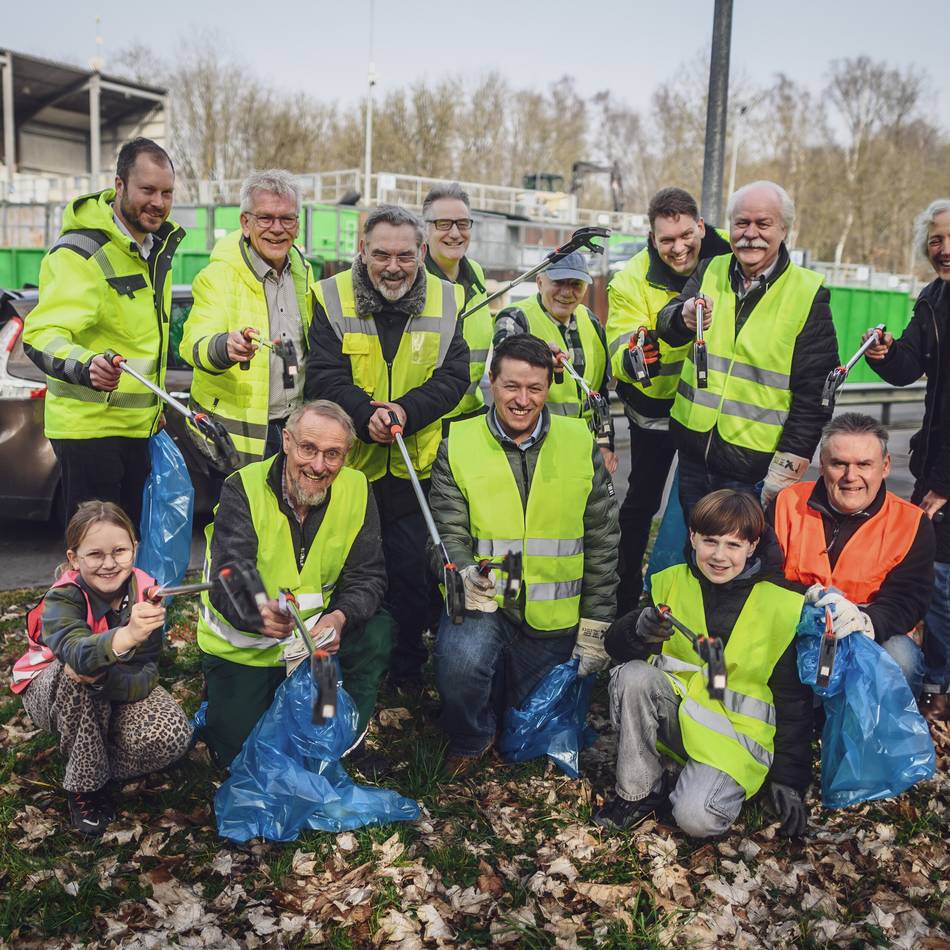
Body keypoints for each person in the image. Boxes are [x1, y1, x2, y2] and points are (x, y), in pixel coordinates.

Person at [428, 334, 619, 773]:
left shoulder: (577, 441)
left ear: (549, 387)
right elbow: (446, 532)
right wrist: (461, 577)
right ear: (491, 383)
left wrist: (596, 621)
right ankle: (472, 736)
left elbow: (604, 538)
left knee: (531, 729)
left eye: (534, 388)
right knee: (460, 665)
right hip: (486, 604)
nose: (522, 399)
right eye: (511, 386)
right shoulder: (458, 442)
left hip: (554, 615)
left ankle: (503, 703)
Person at [304, 205, 469, 691]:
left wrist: (406, 412)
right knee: (350, 571)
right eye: (380, 254)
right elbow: (324, 374)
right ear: (362, 251)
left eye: (403, 255)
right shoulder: (331, 297)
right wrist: (364, 413)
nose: (392, 266)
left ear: (421, 253)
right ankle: (344, 667)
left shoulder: (448, 300)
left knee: (413, 573)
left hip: (417, 467)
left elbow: (455, 378)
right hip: (352, 468)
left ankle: (403, 670)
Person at [595, 490, 811, 838]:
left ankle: (697, 785)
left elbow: (792, 700)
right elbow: (617, 647)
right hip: (680, 720)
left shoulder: (782, 605)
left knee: (697, 820)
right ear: (693, 537)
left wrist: (789, 779)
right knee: (632, 675)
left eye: (733, 545)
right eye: (710, 541)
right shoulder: (671, 581)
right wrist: (638, 628)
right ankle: (639, 791)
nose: (719, 556)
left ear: (753, 546)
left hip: (733, 743)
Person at [196, 401, 390, 768]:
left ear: (347, 454)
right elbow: (229, 574)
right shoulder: (244, 488)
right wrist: (256, 613)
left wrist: (340, 618)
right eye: (308, 449)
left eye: (333, 454)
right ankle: (221, 701)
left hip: (316, 647)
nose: (319, 466)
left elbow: (368, 575)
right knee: (241, 759)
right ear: (286, 441)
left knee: (376, 632)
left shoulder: (357, 488)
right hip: (250, 648)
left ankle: (342, 735)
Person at [22, 138, 183, 529]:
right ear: (119, 186)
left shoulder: (153, 250)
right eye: (147, 190)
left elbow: (142, 342)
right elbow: (41, 333)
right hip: (89, 432)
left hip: (137, 430)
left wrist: (154, 411)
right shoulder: (80, 252)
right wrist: (87, 365)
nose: (158, 202)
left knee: (126, 552)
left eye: (166, 193)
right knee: (98, 554)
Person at [657, 180, 839, 517]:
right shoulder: (709, 269)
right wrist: (680, 317)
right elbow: (666, 326)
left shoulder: (807, 293)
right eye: (741, 223)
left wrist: (787, 468)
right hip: (695, 454)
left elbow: (815, 394)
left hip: (753, 470)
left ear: (784, 229)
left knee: (738, 563)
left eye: (762, 223)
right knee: (695, 553)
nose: (749, 233)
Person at [12, 501, 192, 837]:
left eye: (120, 551)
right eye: (95, 554)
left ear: (134, 550)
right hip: (49, 690)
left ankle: (98, 759)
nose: (109, 564)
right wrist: (128, 636)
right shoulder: (63, 597)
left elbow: (147, 670)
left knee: (173, 735)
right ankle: (85, 787)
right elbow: (76, 655)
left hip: (109, 682)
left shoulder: (145, 589)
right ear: (73, 558)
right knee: (78, 674)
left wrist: (109, 682)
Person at [606, 187, 731, 611]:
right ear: (652, 236)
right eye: (666, 240)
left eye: (685, 236)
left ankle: (699, 597)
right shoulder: (629, 279)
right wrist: (636, 357)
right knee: (642, 502)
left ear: (700, 225)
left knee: (707, 509)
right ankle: (624, 599)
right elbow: (619, 347)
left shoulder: (731, 259)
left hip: (712, 411)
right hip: (655, 412)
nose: (678, 249)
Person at [770, 413, 934, 698]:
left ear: (884, 467)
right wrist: (809, 600)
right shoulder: (787, 503)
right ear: (822, 466)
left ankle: (874, 740)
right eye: (839, 464)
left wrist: (866, 621)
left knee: (901, 658)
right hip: (793, 624)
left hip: (869, 631)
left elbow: (910, 598)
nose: (850, 476)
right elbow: (764, 573)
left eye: (864, 465)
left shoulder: (911, 522)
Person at [864, 197, 950, 719]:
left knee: (940, 578)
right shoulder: (934, 296)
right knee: (933, 575)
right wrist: (884, 353)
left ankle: (939, 683)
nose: (944, 249)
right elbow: (906, 368)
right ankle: (936, 677)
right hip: (935, 463)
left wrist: (944, 481)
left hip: (944, 473)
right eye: (936, 239)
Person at [181, 169, 316, 470]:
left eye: (287, 219)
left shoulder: (302, 272)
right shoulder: (218, 277)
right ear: (245, 222)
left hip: (292, 430)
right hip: (232, 442)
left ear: (298, 224)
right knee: (238, 518)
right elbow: (193, 342)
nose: (277, 229)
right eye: (265, 218)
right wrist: (224, 347)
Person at [493, 251, 616, 473]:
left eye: (576, 284)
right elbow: (506, 362)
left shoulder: (592, 321)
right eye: (558, 282)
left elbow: (600, 394)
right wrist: (540, 357)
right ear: (540, 282)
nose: (567, 292)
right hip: (533, 452)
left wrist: (605, 444)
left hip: (583, 450)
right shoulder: (515, 318)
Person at [422, 183, 492, 426]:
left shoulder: (477, 276)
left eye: (462, 224)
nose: (455, 233)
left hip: (471, 419)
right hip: (426, 424)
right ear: (426, 229)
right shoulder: (412, 282)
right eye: (444, 224)